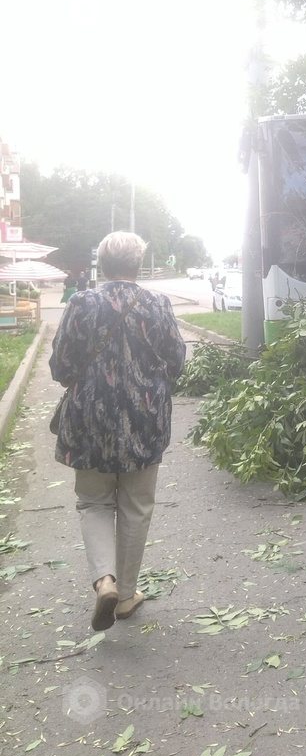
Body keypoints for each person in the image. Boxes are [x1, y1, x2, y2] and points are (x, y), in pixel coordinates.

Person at [49, 232, 186, 631]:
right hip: (145, 423)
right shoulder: (157, 304)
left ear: (103, 265)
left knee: (93, 503)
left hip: (89, 421)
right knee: (136, 506)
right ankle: (125, 596)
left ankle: (104, 580)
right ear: (138, 264)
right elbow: (177, 360)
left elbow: (60, 366)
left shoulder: (81, 303)